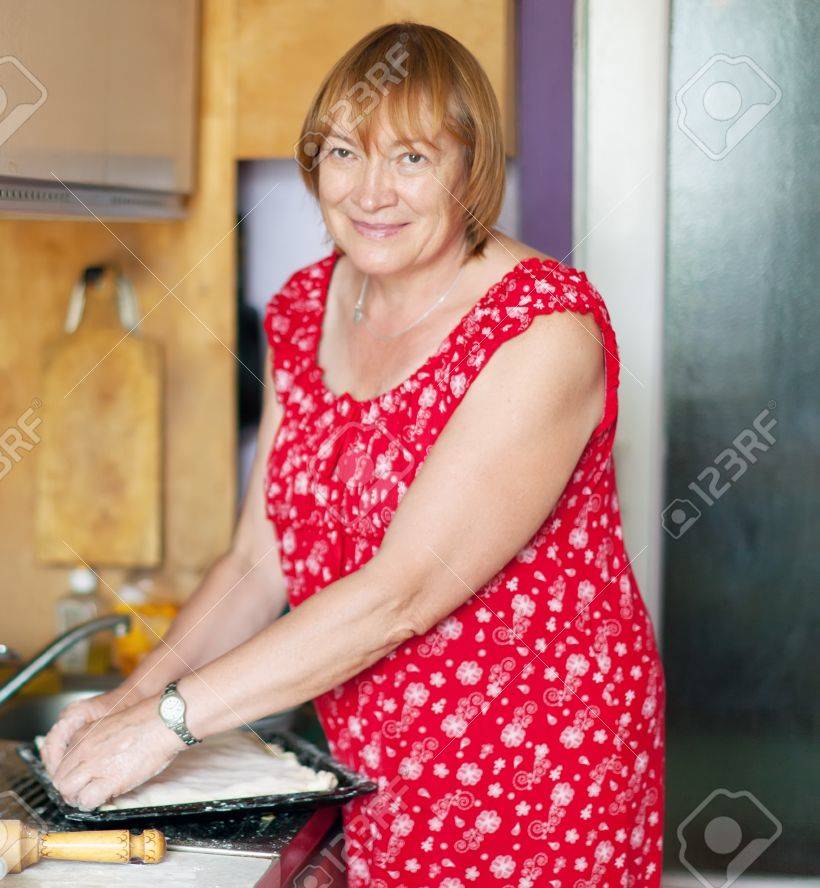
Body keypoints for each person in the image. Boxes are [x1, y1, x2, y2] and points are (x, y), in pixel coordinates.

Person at [42, 22, 664, 886]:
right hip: (371, 764)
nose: (372, 192)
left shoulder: (541, 331)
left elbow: (401, 594)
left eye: (412, 158)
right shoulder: (305, 310)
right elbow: (258, 562)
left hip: (536, 778)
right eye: (344, 152)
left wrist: (166, 725)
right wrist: (130, 699)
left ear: (471, 169)